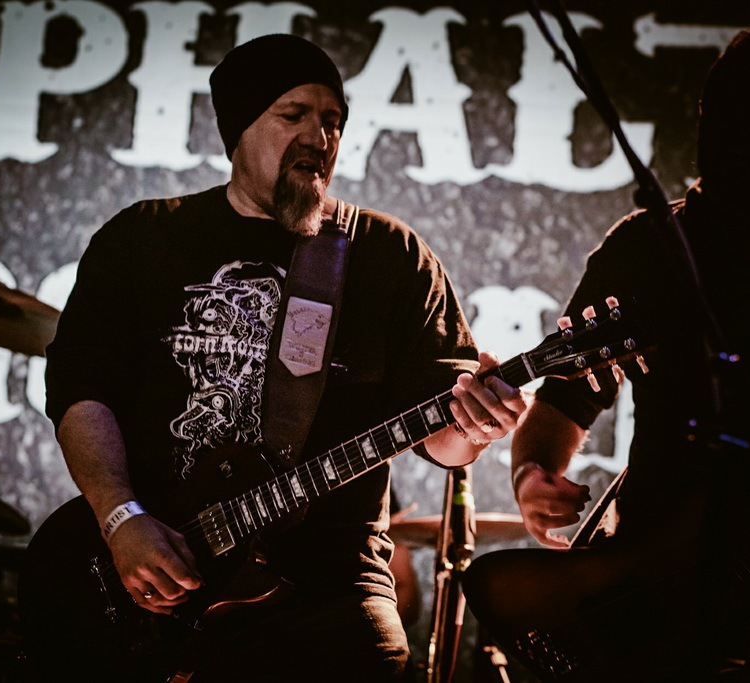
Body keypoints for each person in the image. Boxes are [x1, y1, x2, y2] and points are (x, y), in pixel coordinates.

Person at [32, 33, 525, 682]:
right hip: (155, 568)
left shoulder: (389, 255)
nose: (319, 137)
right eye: (294, 114)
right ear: (239, 130)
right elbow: (82, 390)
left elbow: (445, 439)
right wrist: (121, 517)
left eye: (332, 121)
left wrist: (478, 423)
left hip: (332, 587)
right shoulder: (144, 237)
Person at [466, 26, 750, 679]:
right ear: (702, 115)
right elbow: (563, 402)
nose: (738, 131)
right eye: (724, 110)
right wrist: (531, 474)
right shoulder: (645, 247)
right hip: (654, 582)